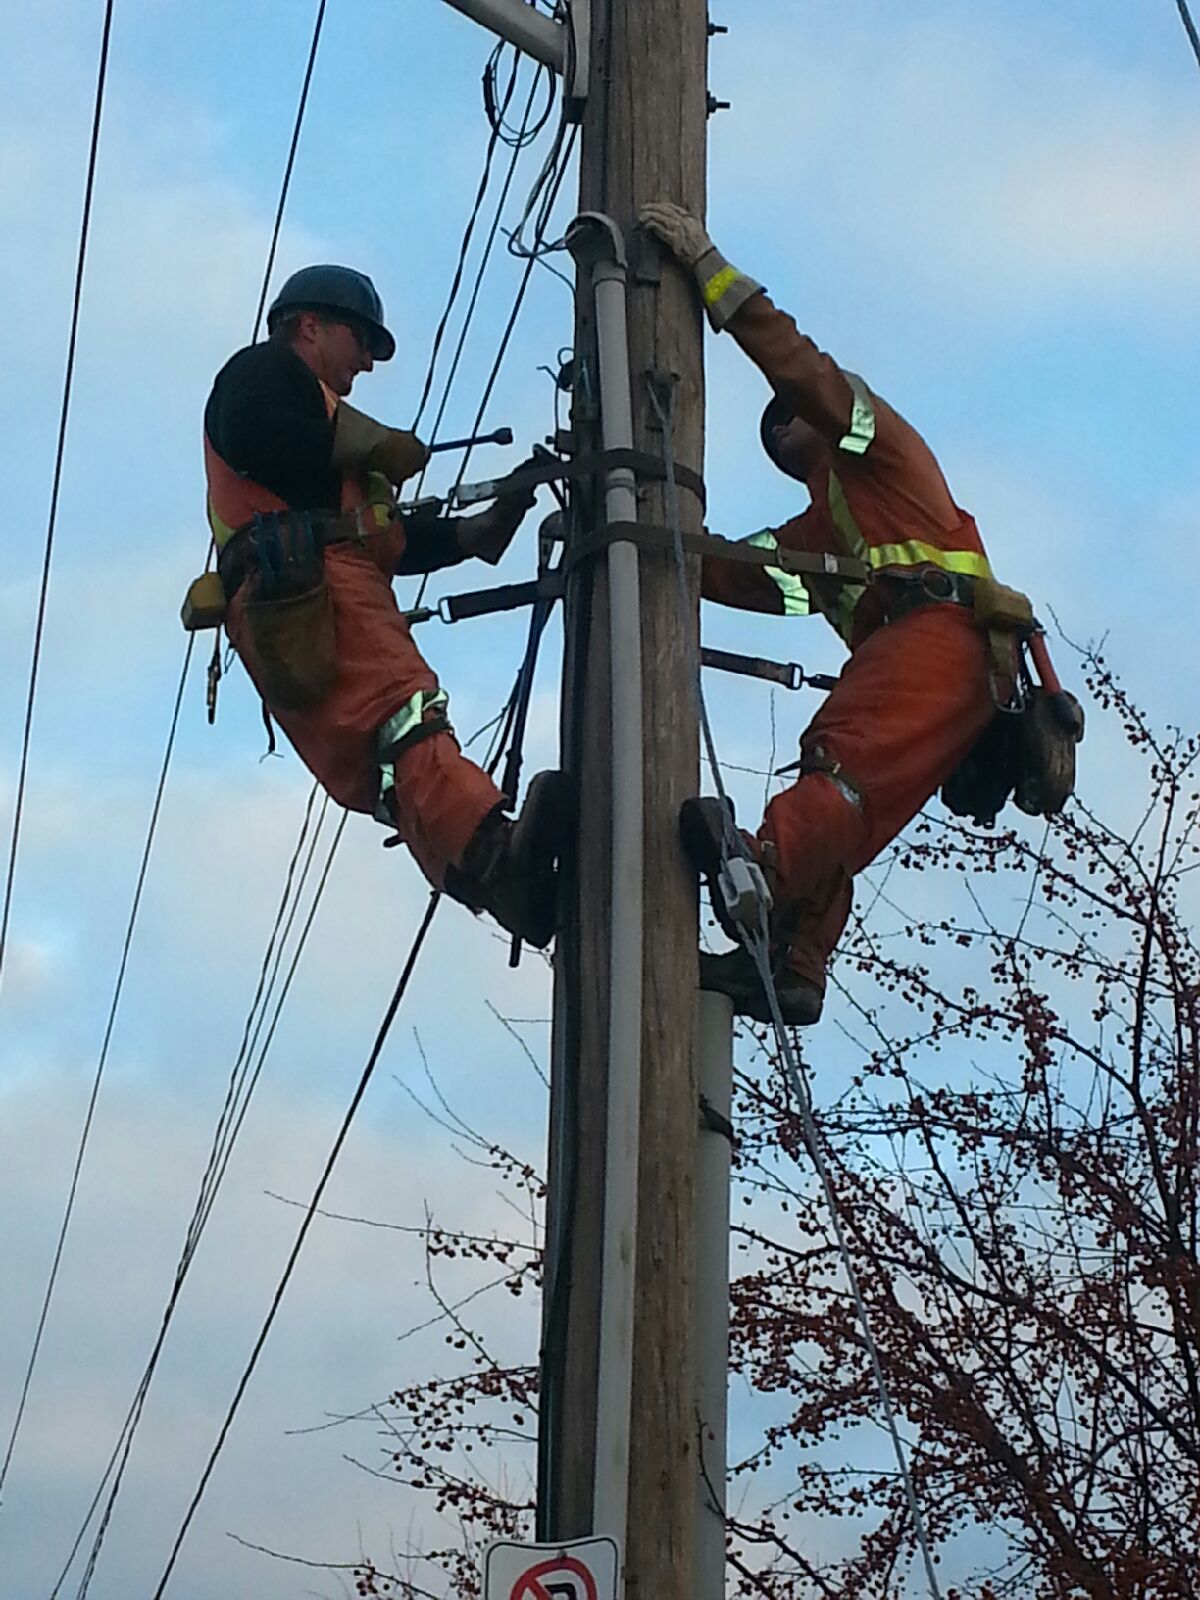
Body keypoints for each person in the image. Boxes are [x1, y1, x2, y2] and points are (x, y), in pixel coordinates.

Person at [640, 203, 1009, 1025]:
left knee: (838, 762)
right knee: (851, 804)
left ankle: (762, 868)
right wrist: (640, 534)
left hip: (940, 637)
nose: (781, 431)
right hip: (945, 666)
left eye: (788, 418)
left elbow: (799, 367)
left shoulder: (876, 445)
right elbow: (755, 576)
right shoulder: (823, 524)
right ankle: (793, 961)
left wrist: (711, 273)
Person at [203, 264, 563, 946]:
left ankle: (494, 884)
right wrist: (367, 444)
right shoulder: (264, 375)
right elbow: (254, 431)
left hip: (302, 589)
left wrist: (486, 521)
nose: (366, 363)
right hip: (311, 580)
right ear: (309, 326)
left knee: (384, 769)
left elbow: (393, 539)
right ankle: (493, 851)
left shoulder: (326, 435)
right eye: (360, 341)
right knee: (403, 711)